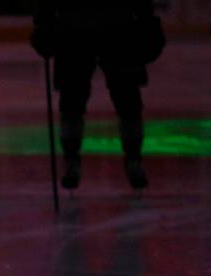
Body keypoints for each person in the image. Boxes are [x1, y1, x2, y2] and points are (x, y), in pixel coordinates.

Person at [31, 1, 165, 190]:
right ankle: (78, 159)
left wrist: (44, 22)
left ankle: (128, 159)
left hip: (105, 32)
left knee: (125, 101)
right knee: (77, 102)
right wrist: (44, 23)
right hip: (91, 32)